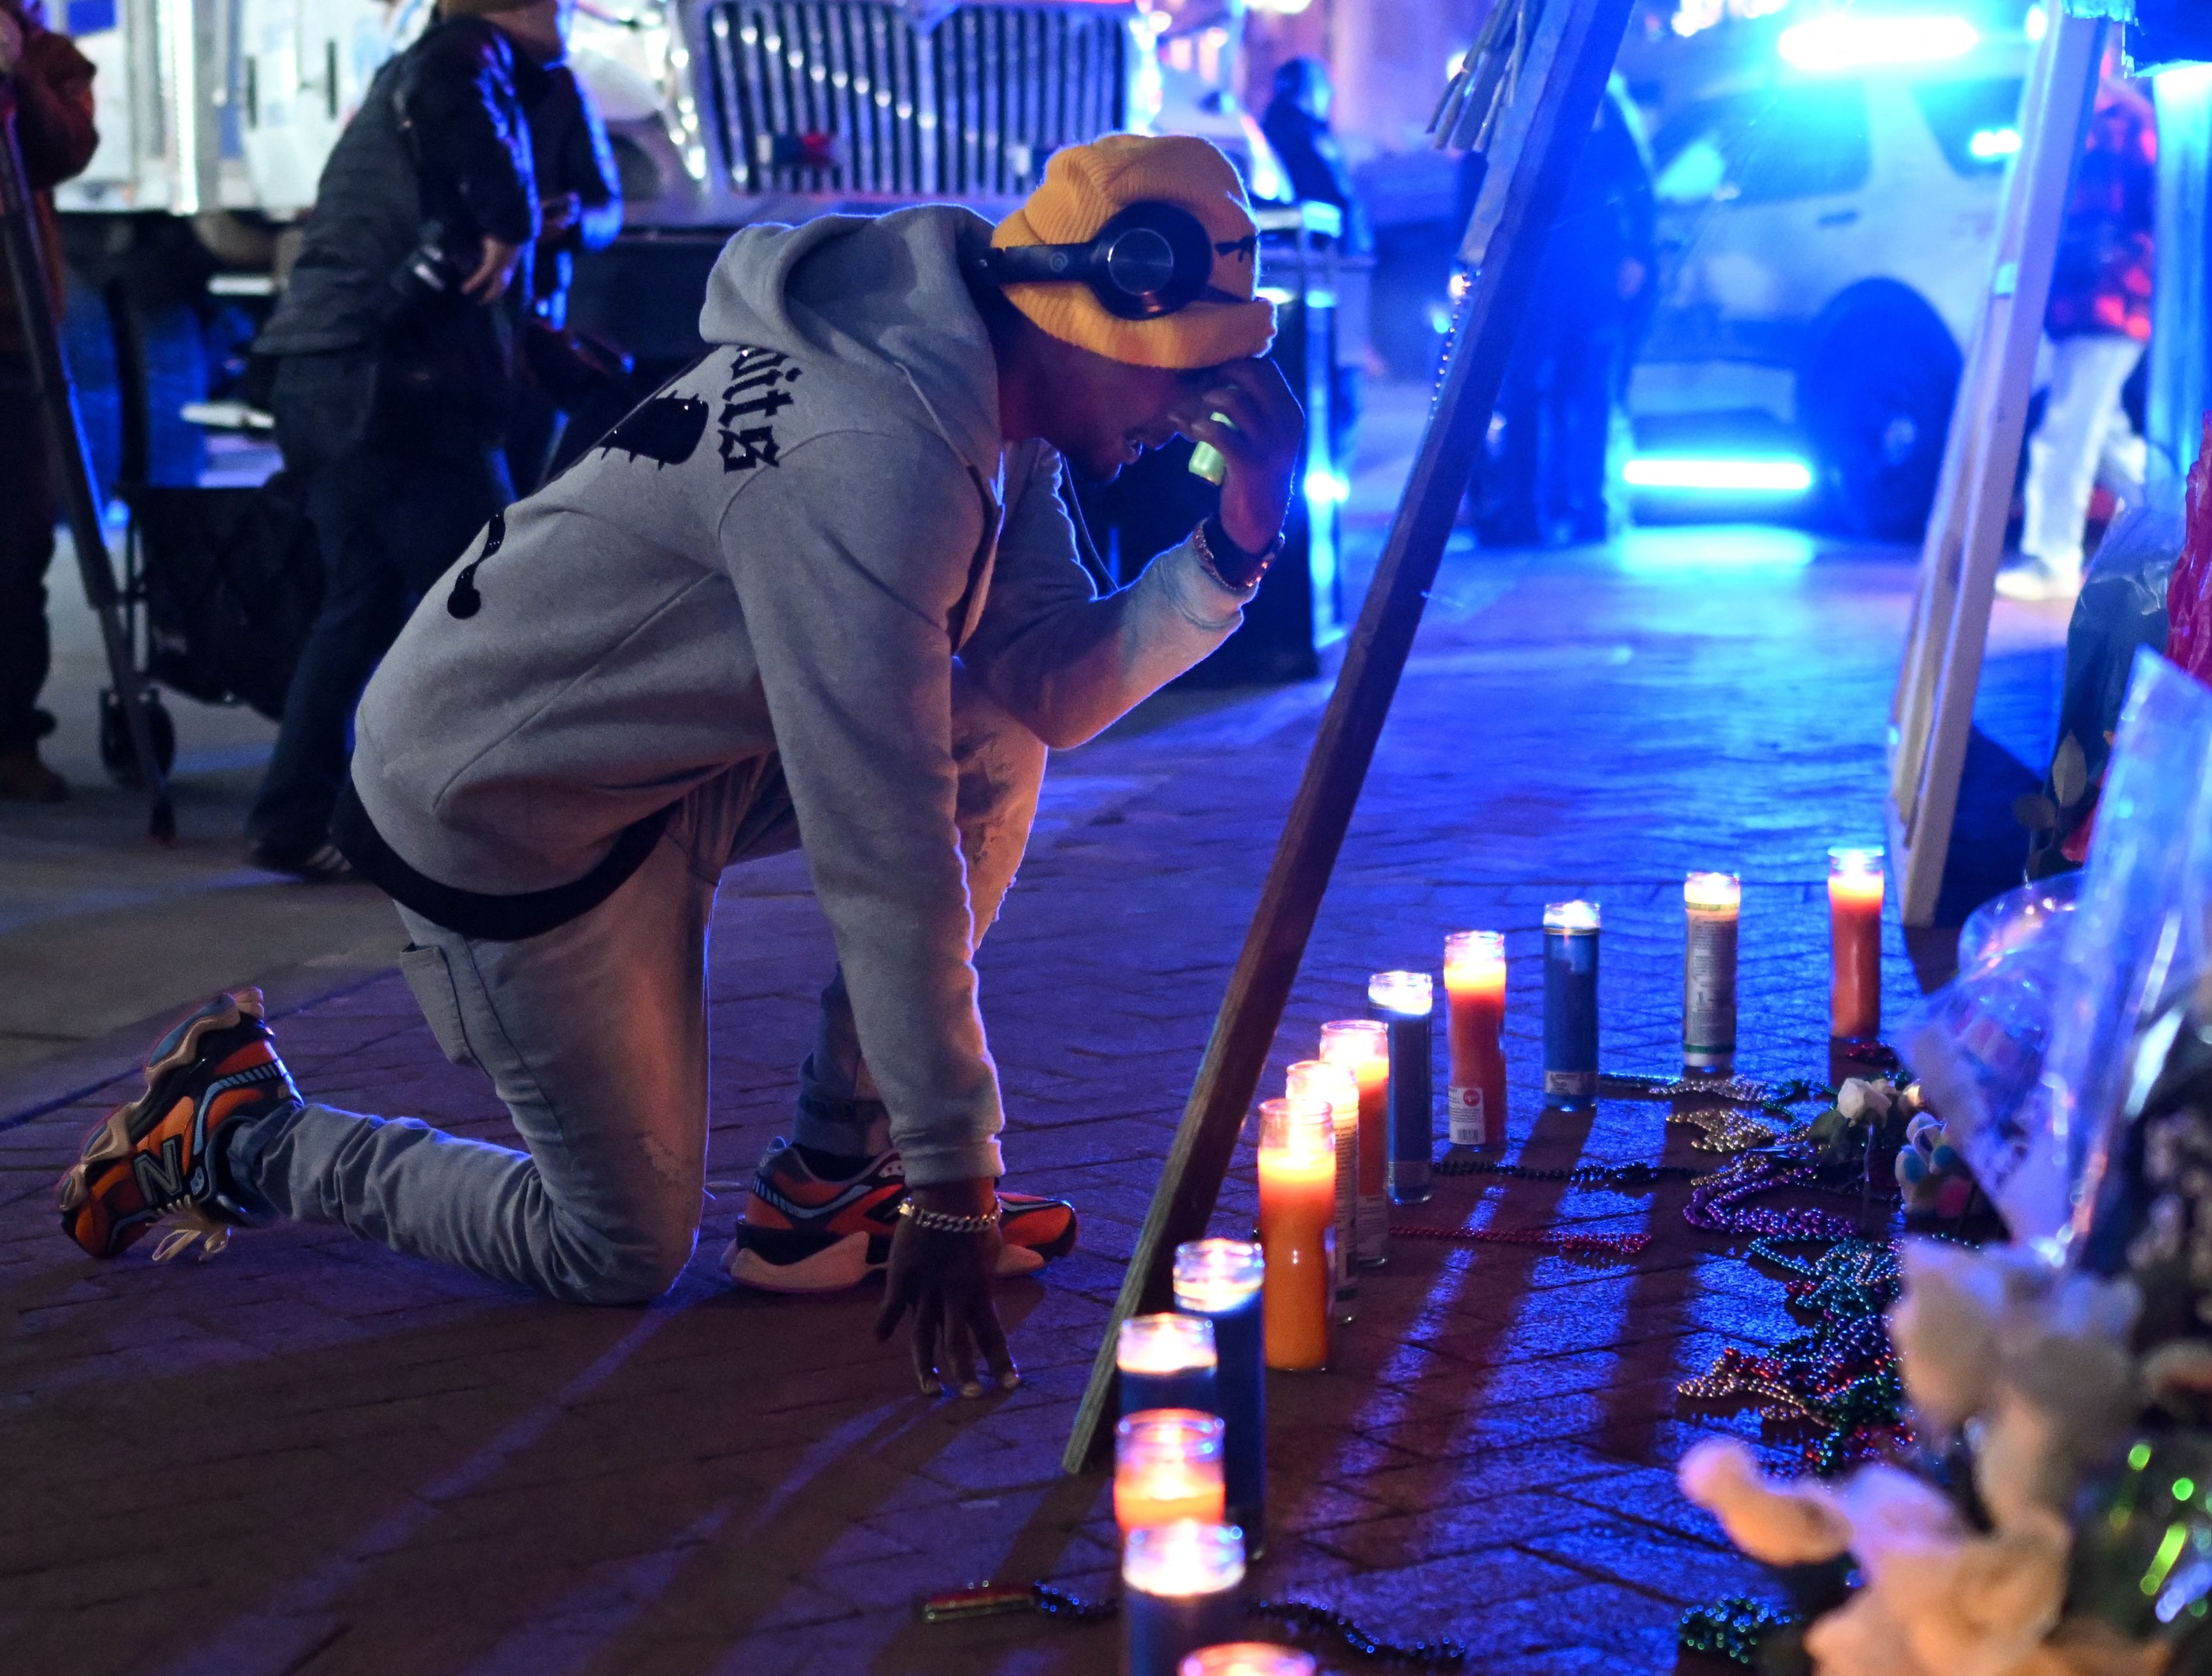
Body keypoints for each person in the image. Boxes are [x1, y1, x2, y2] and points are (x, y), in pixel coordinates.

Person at [57, 134, 1303, 1399]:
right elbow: (883, 841)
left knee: (986, 729)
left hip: (662, 759)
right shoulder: (876, 456)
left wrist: (1230, 554)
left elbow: (1043, 689)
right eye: (1182, 375)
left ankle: (826, 1183)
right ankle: (238, 1131)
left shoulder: (986, 391)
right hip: (500, 812)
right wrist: (951, 1176)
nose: (1185, 418)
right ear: (1087, 316)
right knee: (610, 1247)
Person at [241, 0, 561, 879]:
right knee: (488, 599)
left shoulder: (445, 68)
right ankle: (473, 833)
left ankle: (297, 815)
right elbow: (452, 97)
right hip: (387, 387)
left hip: (331, 375)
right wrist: (512, 216)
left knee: (368, 605)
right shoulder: (462, 55)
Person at [1473, 78, 1655, 549]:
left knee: (1579, 392)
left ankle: (1580, 506)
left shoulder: (1592, 103)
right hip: (1539, 274)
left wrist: (1634, 252)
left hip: (1582, 275)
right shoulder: (1528, 96)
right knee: (1532, 392)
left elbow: (1637, 190)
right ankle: (1531, 509)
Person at [2001, 65, 2155, 603]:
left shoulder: (2110, 116)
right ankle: (2173, 525)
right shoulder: (2104, 113)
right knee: (2101, 434)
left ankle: (2053, 557)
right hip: (2096, 299)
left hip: (2105, 298)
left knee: (2068, 429)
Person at [0, 0, 97, 803]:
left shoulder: (50, 56)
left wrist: (17, 71)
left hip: (13, 344)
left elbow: (64, 149)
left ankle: (10, 738)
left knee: (17, 549)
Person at [504, 56, 621, 492]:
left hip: (535, 321)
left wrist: (572, 222)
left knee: (525, 484)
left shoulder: (561, 87)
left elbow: (607, 207)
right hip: (452, 323)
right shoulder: (439, 74)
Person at [1260, 55, 1369, 478]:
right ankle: (1329, 487)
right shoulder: (1305, 137)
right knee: (1338, 385)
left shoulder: (1274, 133)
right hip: (1331, 273)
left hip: (1323, 271)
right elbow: (1338, 202)